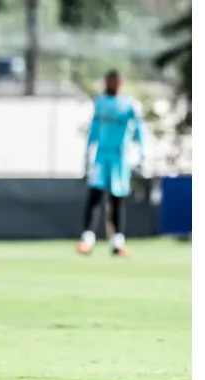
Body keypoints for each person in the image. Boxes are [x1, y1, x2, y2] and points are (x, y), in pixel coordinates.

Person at [77, 69, 146, 257]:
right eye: (109, 80)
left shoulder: (128, 105)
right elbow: (93, 129)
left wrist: (142, 155)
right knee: (95, 196)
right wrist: (87, 155)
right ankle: (87, 239)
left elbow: (140, 129)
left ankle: (117, 243)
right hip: (101, 156)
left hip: (120, 157)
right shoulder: (100, 103)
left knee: (117, 199)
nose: (112, 84)